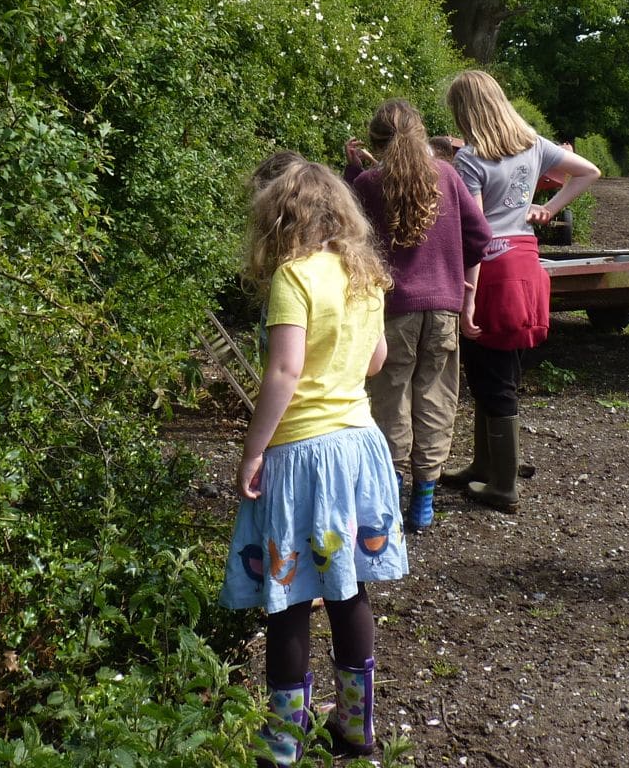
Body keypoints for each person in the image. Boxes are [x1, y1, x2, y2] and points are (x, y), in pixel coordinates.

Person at [219, 161, 406, 765]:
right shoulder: (366, 274)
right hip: (359, 444)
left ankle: (282, 745)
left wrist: (253, 450)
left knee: (291, 597)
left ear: (280, 216)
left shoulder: (292, 276)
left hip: (302, 454)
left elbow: (284, 371)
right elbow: (376, 360)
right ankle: (356, 729)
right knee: (349, 590)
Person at [440, 70, 600, 513]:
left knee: (492, 374)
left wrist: (468, 298)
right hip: (526, 263)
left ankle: (503, 485)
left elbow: (474, 235)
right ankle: (482, 466)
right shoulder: (533, 144)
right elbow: (589, 171)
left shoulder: (471, 159)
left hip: (491, 270)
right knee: (494, 369)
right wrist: (547, 209)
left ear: (466, 110)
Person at [343, 100, 491, 533]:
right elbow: (480, 236)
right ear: (421, 133)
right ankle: (423, 501)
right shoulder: (446, 175)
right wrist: (457, 280)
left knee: (391, 401)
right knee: (436, 399)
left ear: (376, 143)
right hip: (443, 308)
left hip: (393, 312)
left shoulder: (371, 182)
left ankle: (389, 493)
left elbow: (352, 232)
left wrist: (354, 173)